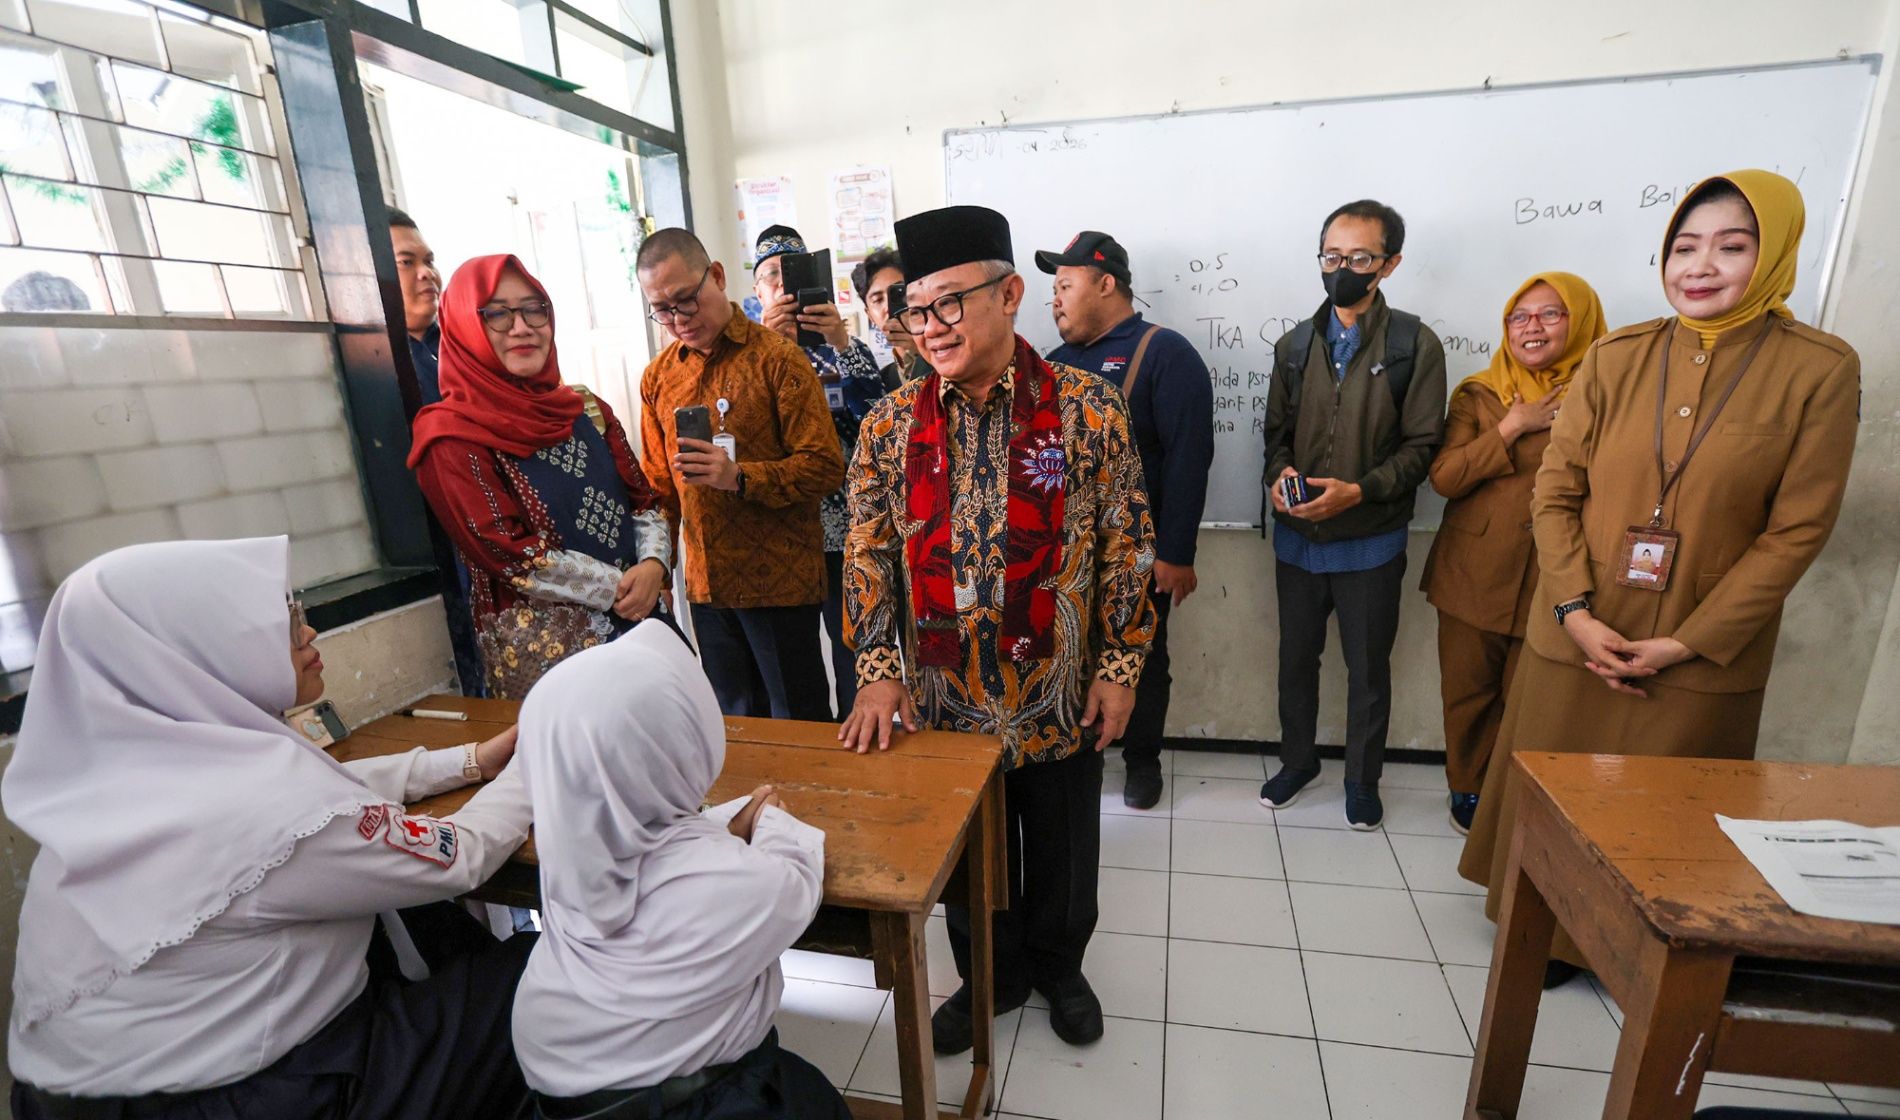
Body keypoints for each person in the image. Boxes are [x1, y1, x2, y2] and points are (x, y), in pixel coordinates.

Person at [1458, 169, 1860, 987]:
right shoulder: (1617, 356)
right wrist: (1573, 612)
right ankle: (1546, 935)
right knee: (1556, 798)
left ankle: (1642, 949)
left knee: (1665, 815)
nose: (1700, 266)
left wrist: (1687, 642)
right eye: (1684, 248)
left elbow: (1797, 531)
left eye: (1731, 247)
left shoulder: (1819, 369)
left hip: (1701, 648)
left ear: (1773, 256)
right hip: (1579, 630)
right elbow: (1555, 493)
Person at [6, 537, 536, 1119]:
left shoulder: (116, 780)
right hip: (253, 1100)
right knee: (545, 970)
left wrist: (469, 762)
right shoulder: (266, 807)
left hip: (77, 1099)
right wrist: (537, 760)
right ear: (197, 650)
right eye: (281, 621)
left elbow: (327, 792)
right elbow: (459, 855)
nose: (307, 632)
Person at [840, 205, 1157, 1054]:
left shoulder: (1089, 408)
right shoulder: (888, 427)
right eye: (916, 309)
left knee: (1063, 846)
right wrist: (877, 667)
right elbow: (867, 553)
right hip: (944, 693)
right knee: (969, 855)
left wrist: (1120, 666)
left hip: (1059, 684)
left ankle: (1060, 967)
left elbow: (1128, 545)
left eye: (950, 303)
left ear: (1009, 294)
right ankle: (990, 975)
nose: (931, 327)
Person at [511, 621, 849, 1120]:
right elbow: (793, 882)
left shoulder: (573, 845)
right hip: (688, 1103)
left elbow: (662, 850)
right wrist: (771, 819)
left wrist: (721, 831)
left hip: (561, 1097)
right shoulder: (735, 886)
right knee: (816, 1099)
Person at [1260, 199, 1447, 831]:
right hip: (1297, 541)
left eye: (1360, 258)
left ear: (1389, 264)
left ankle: (1363, 781)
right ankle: (1297, 762)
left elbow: (1422, 448)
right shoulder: (1294, 344)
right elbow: (1275, 437)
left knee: (1367, 670)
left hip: (1370, 541)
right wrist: (1279, 477)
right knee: (1295, 663)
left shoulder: (1413, 345)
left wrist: (1360, 492)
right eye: (1332, 256)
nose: (1342, 270)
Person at [409, 254, 673, 699]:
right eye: (498, 314)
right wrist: (626, 585)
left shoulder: (585, 409)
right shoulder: (451, 436)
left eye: (535, 309)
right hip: (548, 655)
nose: (522, 327)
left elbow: (643, 501)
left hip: (642, 623)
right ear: (464, 326)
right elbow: (508, 552)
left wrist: (653, 565)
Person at [1420, 272, 1605, 834]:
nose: (1532, 327)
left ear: (1579, 321)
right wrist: (1510, 426)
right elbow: (1445, 477)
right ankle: (1468, 788)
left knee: (1534, 698)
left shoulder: (1607, 393)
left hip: (1560, 577)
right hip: (1473, 572)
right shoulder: (1480, 393)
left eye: (1550, 314)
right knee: (1467, 693)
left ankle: (1519, 794)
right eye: (1518, 317)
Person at [635, 228, 843, 722]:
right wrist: (657, 565)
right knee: (733, 725)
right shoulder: (659, 378)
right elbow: (658, 489)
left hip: (779, 583)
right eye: (662, 309)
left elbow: (824, 466)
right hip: (706, 588)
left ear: (717, 275)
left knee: (799, 725)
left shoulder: (779, 359)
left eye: (686, 300)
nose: (679, 319)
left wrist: (740, 477)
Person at [1041, 230, 1214, 810]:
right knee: (1069, 649)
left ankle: (1143, 762)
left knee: (1142, 657)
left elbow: (1190, 456)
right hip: (1066, 557)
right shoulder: (1054, 364)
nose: (1055, 299)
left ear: (1106, 284)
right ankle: (1076, 750)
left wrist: (1177, 553)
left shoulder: (1164, 353)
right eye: (1053, 289)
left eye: (1065, 285)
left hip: (1140, 554)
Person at [751, 225, 887, 720]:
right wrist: (766, 343)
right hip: (780, 534)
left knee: (853, 646)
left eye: (793, 275)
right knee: (792, 662)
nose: (782, 286)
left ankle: (861, 733)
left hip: (844, 532)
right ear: (757, 291)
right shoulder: (748, 357)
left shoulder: (844, 349)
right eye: (771, 276)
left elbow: (877, 422)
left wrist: (840, 341)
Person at [389, 206, 445, 405]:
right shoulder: (367, 364)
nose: (428, 273)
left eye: (429, 261)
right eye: (406, 262)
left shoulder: (466, 344)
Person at [851, 246, 930, 388]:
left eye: (899, 294)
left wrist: (919, 348)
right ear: (870, 316)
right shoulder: (881, 382)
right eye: (878, 300)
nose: (888, 306)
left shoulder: (949, 361)